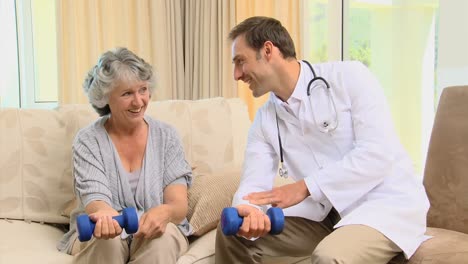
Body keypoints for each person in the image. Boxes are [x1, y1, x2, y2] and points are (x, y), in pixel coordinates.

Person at [215, 16, 429, 264]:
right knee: (232, 234)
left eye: (241, 62)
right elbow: (253, 183)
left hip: (381, 207)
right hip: (325, 215)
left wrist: (305, 187)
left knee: (330, 257)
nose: (236, 74)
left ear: (268, 50)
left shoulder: (349, 77)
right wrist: (248, 211)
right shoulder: (265, 120)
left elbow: (377, 154)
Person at [57, 47, 192, 264]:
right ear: (105, 98)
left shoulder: (167, 136)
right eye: (127, 93)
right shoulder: (88, 140)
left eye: (143, 90)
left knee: (164, 238)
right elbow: (96, 201)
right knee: (108, 241)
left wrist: (165, 212)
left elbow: (178, 204)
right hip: (100, 231)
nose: (139, 102)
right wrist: (104, 216)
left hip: (155, 232)